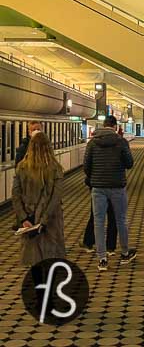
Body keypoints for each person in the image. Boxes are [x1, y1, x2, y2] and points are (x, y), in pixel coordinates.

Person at [13, 133, 66, 311]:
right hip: (50, 221)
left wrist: (24, 219)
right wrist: (42, 220)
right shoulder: (55, 168)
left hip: (28, 221)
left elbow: (16, 195)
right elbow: (56, 197)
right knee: (50, 258)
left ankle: (39, 297)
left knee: (35, 260)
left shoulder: (21, 167)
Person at [84, 115, 136, 271]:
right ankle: (125, 253)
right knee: (121, 219)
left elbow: (86, 166)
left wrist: (94, 177)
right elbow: (129, 163)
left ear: (103, 125)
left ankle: (102, 259)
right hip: (117, 186)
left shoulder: (92, 143)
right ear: (114, 126)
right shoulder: (121, 142)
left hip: (98, 187)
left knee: (98, 222)